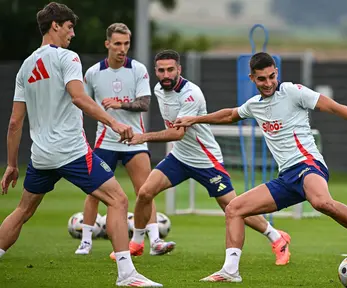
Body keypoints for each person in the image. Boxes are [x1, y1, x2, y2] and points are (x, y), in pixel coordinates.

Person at [174, 51, 347, 282]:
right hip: (286, 178)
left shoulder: (292, 91)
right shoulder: (254, 105)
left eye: (272, 76)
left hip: (308, 164)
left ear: (277, 73)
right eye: (262, 79)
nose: (268, 83)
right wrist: (195, 119)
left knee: (321, 202)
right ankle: (230, 271)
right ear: (252, 78)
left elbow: (333, 106)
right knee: (234, 208)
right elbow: (230, 115)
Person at [0, 3, 162, 287]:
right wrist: (115, 123)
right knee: (119, 199)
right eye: (70, 27)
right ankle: (127, 274)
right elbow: (78, 97)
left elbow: (15, 122)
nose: (72, 33)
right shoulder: (67, 58)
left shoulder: (26, 66)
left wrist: (12, 164)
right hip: (71, 150)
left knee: (23, 211)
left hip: (41, 155)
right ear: (55, 26)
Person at [126, 49, 292, 266]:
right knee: (145, 192)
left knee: (233, 207)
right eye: (161, 70)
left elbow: (177, 132)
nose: (166, 75)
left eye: (170, 70)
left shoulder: (191, 94)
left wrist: (143, 138)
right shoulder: (158, 89)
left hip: (206, 161)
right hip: (180, 157)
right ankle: (137, 244)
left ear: (179, 70)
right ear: (155, 71)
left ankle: (277, 238)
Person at [75, 23, 175, 258]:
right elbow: (84, 104)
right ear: (107, 44)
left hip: (135, 141)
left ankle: (155, 241)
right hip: (105, 141)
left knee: (145, 191)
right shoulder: (92, 73)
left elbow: (144, 103)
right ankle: (86, 241)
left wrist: (118, 104)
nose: (122, 49)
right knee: (94, 192)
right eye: (117, 43)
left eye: (126, 44)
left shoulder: (138, 69)